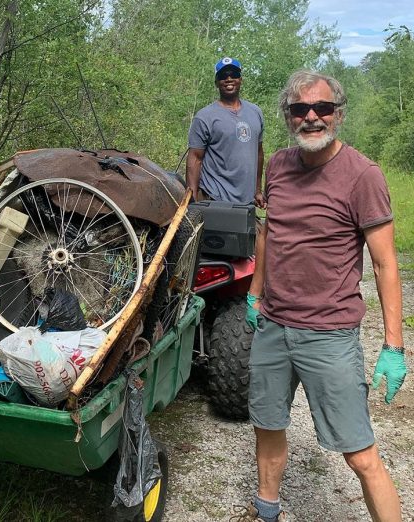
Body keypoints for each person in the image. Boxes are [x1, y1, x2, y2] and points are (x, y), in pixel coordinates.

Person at [236, 70, 407, 522]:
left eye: (322, 108)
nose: (311, 117)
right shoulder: (277, 165)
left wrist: (393, 344)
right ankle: (267, 509)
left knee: (359, 454)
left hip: (329, 335)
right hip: (273, 327)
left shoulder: (362, 175)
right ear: (288, 117)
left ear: (338, 114)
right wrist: (255, 296)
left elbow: (386, 264)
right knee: (267, 426)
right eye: (300, 109)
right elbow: (270, 233)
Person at [186, 56, 265, 206]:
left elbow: (259, 153)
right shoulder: (205, 116)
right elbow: (195, 158)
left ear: (240, 79)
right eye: (223, 76)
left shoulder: (255, 113)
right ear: (216, 82)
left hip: (246, 200)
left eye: (233, 75)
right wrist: (191, 199)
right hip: (214, 197)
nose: (229, 79)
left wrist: (258, 190)